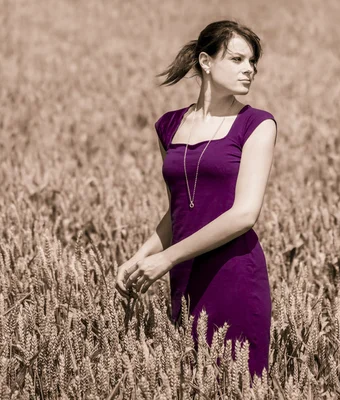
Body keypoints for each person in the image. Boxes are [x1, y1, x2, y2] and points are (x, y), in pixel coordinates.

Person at [114, 19, 277, 381]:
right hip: (185, 276)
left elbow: (244, 215)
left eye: (252, 62)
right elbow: (179, 210)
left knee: (239, 383)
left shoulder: (257, 125)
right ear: (206, 61)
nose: (249, 69)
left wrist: (165, 259)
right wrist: (139, 259)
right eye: (237, 59)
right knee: (192, 382)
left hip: (233, 273)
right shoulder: (169, 126)